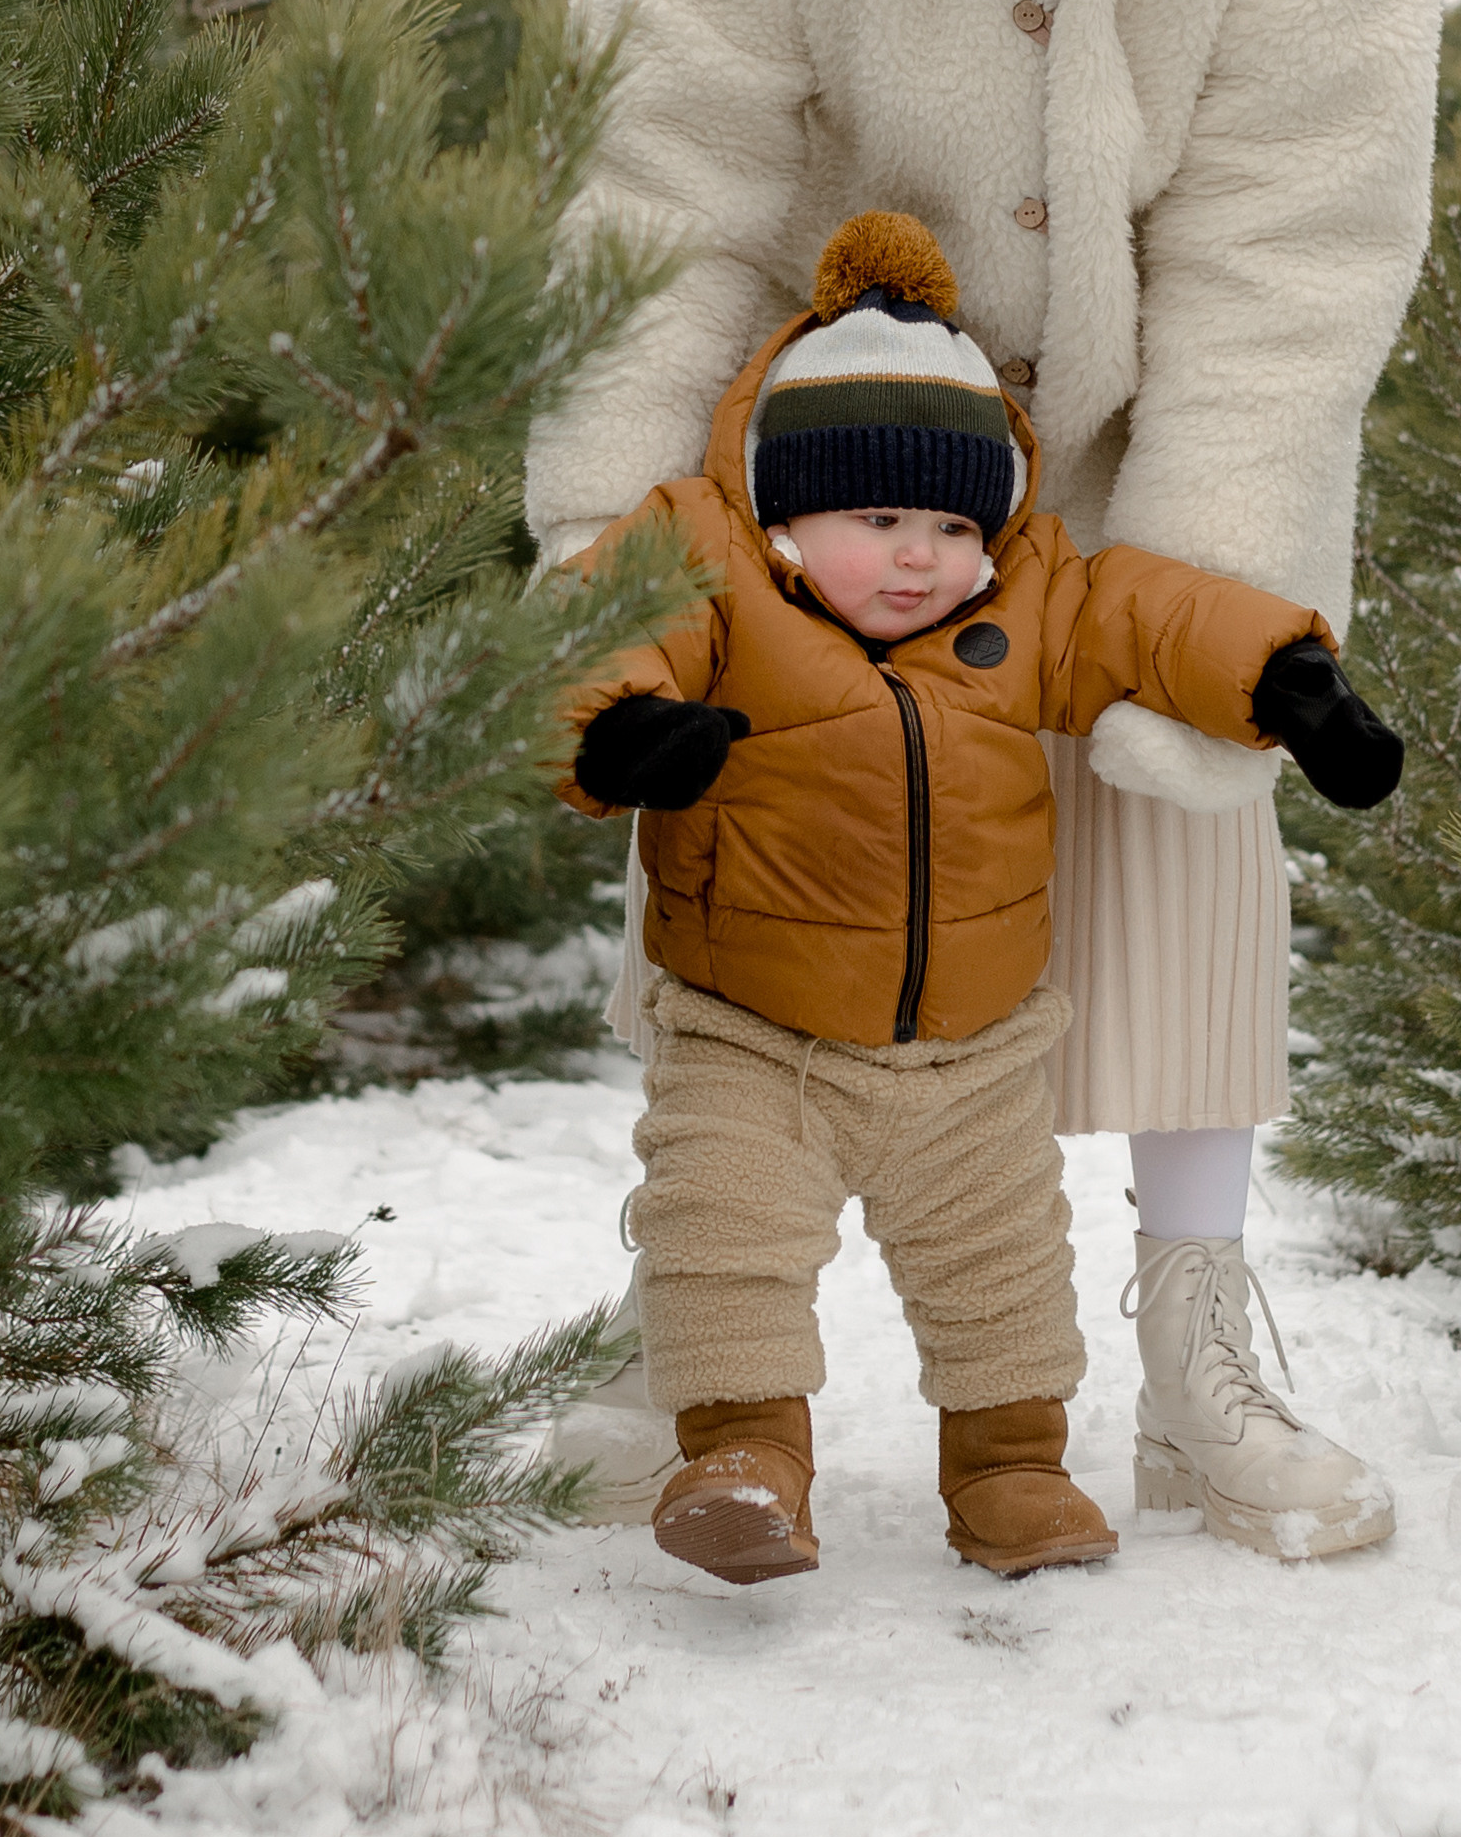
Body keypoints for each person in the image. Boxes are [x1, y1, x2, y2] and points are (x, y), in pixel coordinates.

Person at [527, 0, 1441, 1554]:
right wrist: (606, 557)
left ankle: (1198, 1347)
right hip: (834, 436)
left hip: (1146, 415)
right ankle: (696, 1352)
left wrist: (1219, 572)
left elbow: (1294, 227)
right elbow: (671, 170)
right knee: (745, 841)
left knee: (1186, 818)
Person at [555, 212, 1404, 1584]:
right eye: (877, 519)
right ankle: (741, 1456)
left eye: (950, 523)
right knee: (724, 1245)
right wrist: (616, 733)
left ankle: (1009, 1467)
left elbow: (1149, 614)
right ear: (781, 511)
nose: (917, 556)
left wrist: (1285, 680)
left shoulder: (1019, 599)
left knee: (1004, 1276)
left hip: (970, 1053)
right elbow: (598, 634)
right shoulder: (708, 565)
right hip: (750, 1034)